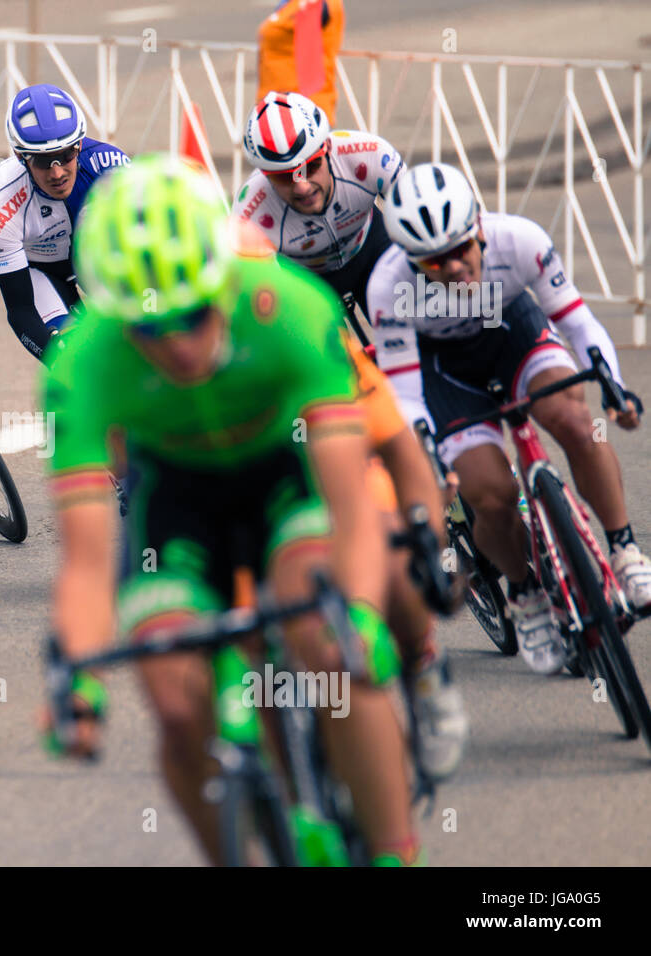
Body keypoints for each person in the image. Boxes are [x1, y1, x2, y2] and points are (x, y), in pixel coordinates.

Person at [44, 154, 422, 865]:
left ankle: (399, 853)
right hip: (178, 502)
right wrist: (80, 680)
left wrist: (363, 615)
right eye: (149, 329)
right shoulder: (82, 362)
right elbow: (86, 565)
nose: (178, 346)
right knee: (177, 703)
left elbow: (349, 507)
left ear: (224, 282)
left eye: (192, 315)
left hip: (285, 473)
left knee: (328, 641)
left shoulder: (290, 309)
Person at [368, 161, 651, 674]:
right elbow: (403, 391)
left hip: (514, 336)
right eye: (433, 263)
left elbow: (580, 326)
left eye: (459, 250)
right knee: (489, 494)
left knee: (571, 418)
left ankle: (626, 550)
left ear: (478, 228)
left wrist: (615, 389)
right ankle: (524, 595)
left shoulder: (520, 240)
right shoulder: (387, 286)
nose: (452, 268)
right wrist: (425, 450)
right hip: (446, 371)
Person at [230, 220, 467, 781]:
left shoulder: (308, 326)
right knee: (245, 643)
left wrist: (428, 544)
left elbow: (393, 447)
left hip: (344, 459)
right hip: (251, 483)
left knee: (395, 563)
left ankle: (423, 663)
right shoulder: (168, 356)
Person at [0, 83, 130, 362]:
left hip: (94, 259)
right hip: (38, 269)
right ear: (21, 157)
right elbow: (20, 311)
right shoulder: (0, 204)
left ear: (79, 144)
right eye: (44, 161)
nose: (57, 172)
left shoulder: (111, 167)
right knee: (77, 360)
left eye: (66, 155)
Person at [237, 90, 402, 320]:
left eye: (311, 166)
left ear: (327, 148)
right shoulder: (250, 212)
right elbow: (256, 300)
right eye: (285, 177)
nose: (302, 187)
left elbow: (425, 224)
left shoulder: (369, 155)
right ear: (266, 176)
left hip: (370, 248)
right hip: (305, 280)